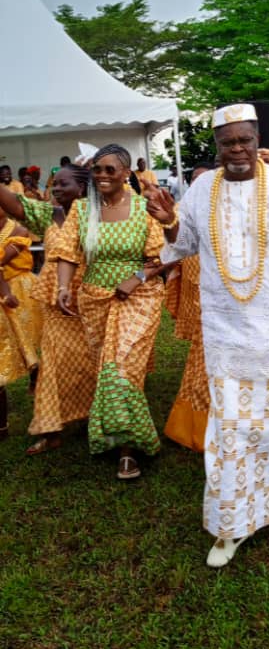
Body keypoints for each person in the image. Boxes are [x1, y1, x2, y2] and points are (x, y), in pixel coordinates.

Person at [150, 103, 269, 567]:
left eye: (244, 139)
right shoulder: (202, 186)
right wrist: (169, 219)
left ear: (256, 140)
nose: (237, 149)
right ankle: (231, 526)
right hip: (229, 328)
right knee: (233, 428)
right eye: (227, 142)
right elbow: (183, 242)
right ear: (217, 146)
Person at [55, 144, 165, 480]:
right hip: (94, 298)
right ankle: (118, 435)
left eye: (110, 170)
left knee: (122, 368)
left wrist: (137, 278)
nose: (102, 175)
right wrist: (63, 287)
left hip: (140, 296)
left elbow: (164, 256)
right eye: (97, 169)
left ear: (127, 174)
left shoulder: (144, 208)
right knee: (109, 367)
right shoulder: (81, 210)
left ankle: (129, 450)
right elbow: (66, 253)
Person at [0, 166, 97, 455]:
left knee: (93, 364)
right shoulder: (50, 216)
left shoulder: (99, 215)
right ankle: (51, 431)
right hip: (56, 303)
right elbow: (16, 204)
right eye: (54, 184)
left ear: (81, 189)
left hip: (91, 302)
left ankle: (96, 420)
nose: (55, 188)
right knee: (51, 368)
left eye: (62, 184)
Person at [163, 165, 213, 453]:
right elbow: (175, 245)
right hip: (200, 285)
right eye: (195, 179)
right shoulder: (183, 207)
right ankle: (197, 423)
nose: (200, 183)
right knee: (201, 350)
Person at [0, 208, 42, 439]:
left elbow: (1, 260)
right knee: (7, 350)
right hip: (3, 291)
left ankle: (36, 376)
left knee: (28, 343)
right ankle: (2, 427)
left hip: (17, 292)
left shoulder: (18, 230)